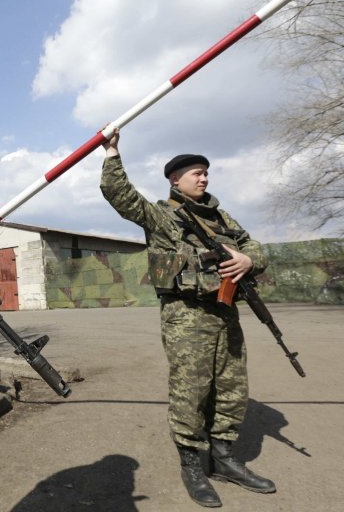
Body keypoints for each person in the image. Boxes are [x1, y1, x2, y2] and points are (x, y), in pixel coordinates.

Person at [99, 129, 275, 508]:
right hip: (186, 316)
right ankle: (193, 466)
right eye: (196, 172)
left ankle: (225, 458)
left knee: (231, 388)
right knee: (191, 391)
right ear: (175, 180)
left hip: (226, 313)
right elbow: (121, 196)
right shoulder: (163, 216)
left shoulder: (221, 217)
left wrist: (249, 259)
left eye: (206, 172)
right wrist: (113, 153)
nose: (204, 177)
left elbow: (253, 246)